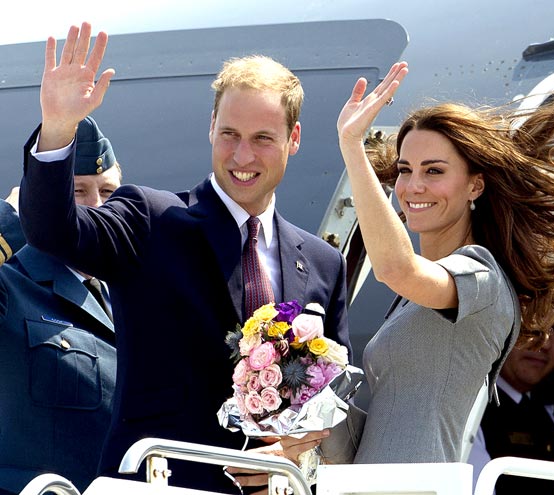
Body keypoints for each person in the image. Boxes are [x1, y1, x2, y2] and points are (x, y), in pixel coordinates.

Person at [19, 22, 350, 494]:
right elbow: (54, 231)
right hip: (164, 482)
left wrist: (290, 449)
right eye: (230, 133)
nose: (242, 155)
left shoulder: (322, 263)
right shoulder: (151, 219)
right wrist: (58, 127)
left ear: (293, 139)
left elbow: (331, 391)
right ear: (211, 127)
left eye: (262, 138)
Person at [280, 63, 554, 467]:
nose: (413, 186)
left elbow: (396, 268)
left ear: (475, 185)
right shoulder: (410, 302)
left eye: (434, 171)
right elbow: (384, 437)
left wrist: (352, 146)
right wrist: (306, 393)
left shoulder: (480, 276)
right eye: (404, 170)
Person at [0, 116, 120, 495]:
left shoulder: (132, 294)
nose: (98, 206)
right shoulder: (12, 285)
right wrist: (11, 222)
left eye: (108, 190)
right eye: (79, 191)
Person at [468, 296, 554, 495]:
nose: (544, 343)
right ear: (504, 324)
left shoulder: (551, 417)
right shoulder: (470, 413)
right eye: (534, 324)